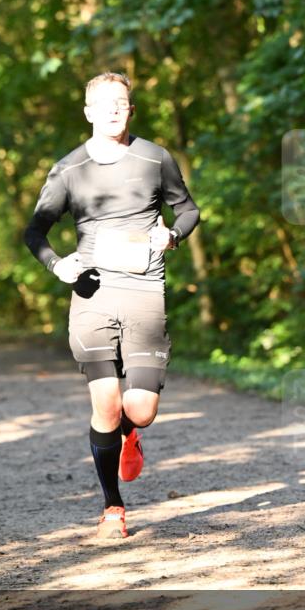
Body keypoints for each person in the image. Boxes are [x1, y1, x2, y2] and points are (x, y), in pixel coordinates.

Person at [25, 72, 200, 541]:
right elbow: (34, 232)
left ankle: (131, 431)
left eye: (121, 103)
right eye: (103, 104)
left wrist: (173, 234)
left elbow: (189, 210)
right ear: (87, 112)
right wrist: (58, 265)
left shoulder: (154, 158)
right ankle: (112, 509)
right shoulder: (68, 169)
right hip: (92, 295)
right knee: (105, 404)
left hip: (144, 291)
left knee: (139, 410)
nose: (112, 111)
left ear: (131, 109)